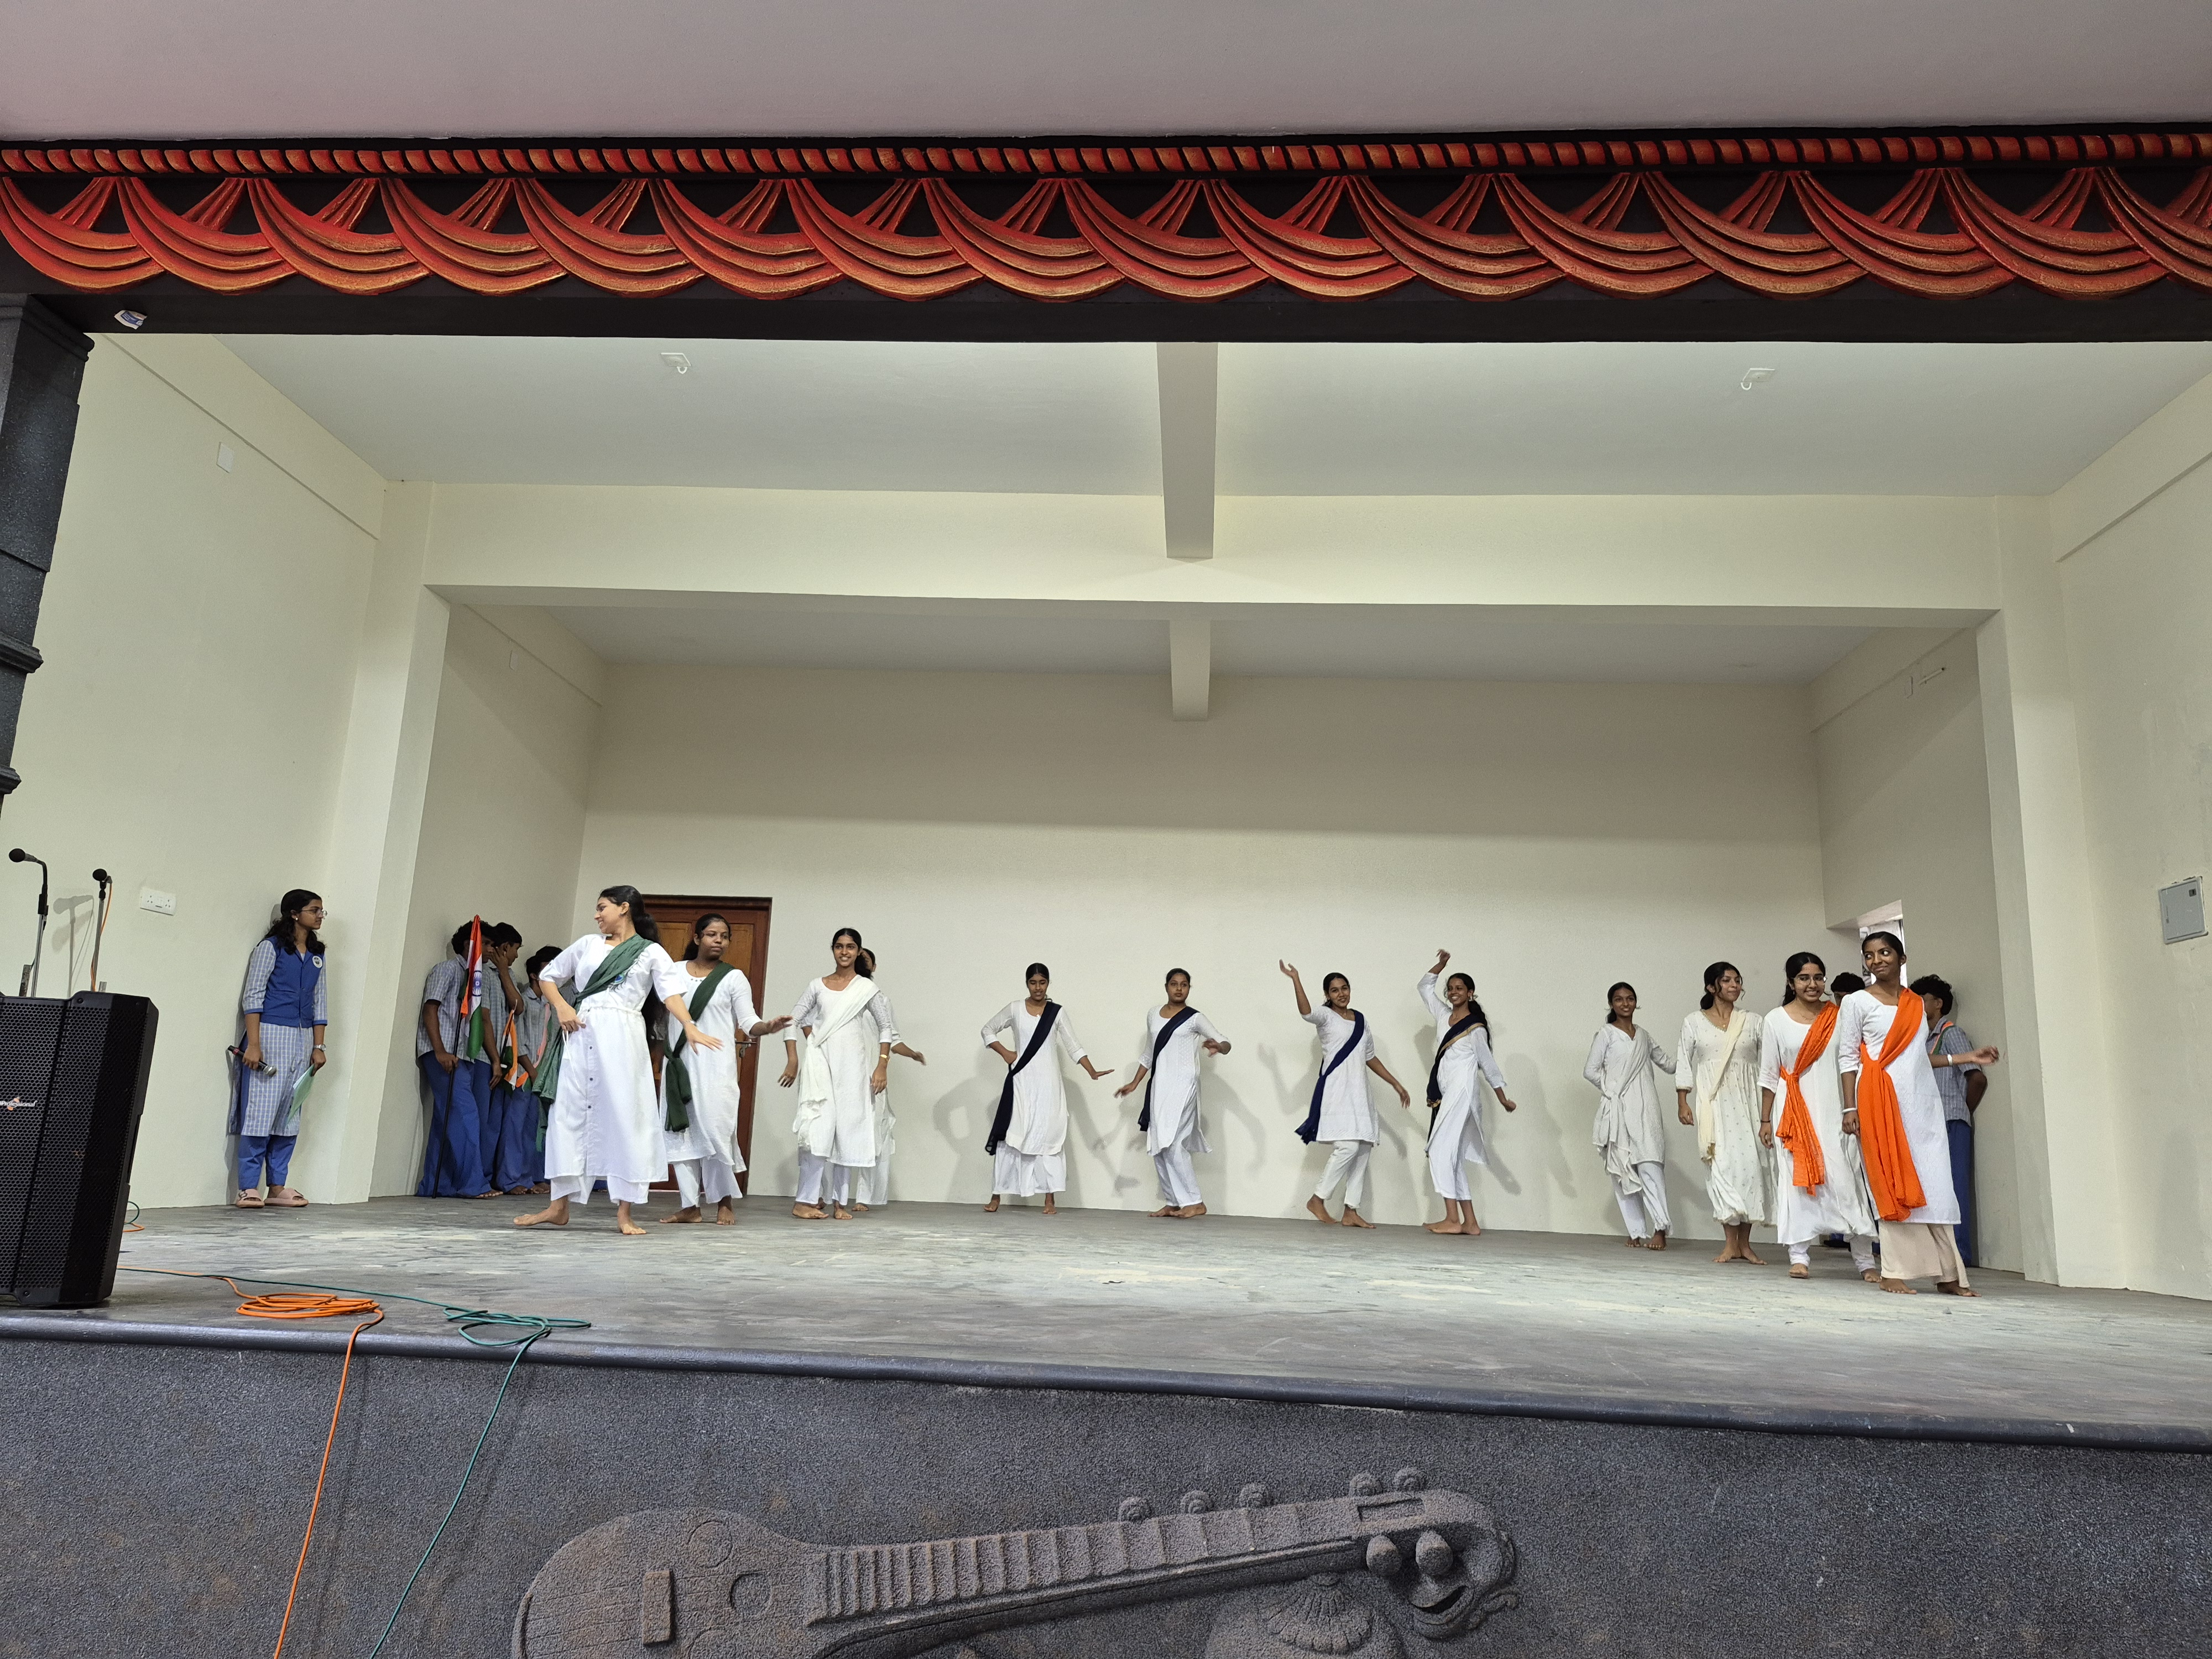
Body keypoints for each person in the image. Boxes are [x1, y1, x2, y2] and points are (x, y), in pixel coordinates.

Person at [514, 887, 718, 1237]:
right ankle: (558, 1207)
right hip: (581, 1037)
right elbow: (549, 977)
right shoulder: (587, 945)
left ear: (624, 908)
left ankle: (625, 1213)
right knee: (570, 1115)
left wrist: (689, 1025)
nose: (596, 915)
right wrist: (562, 1007)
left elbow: (670, 994)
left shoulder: (650, 952)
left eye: (602, 908)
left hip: (624, 1041)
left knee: (627, 1119)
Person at [1839, 931, 2000, 1295]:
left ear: (1902, 958)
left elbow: (1916, 1059)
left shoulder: (1914, 1004)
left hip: (1922, 1104)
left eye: (1885, 952)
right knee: (1893, 1183)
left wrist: (1966, 1057)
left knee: (1936, 1185)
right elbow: (1848, 1058)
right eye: (1869, 955)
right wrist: (1850, 1107)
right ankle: (1893, 1271)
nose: (1877, 960)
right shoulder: (1857, 1002)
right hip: (1880, 1102)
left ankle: (1949, 1275)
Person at [660, 914, 791, 1224]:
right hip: (679, 1064)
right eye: (711, 934)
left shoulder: (734, 978)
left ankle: (724, 1201)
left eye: (724, 936)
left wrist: (767, 1027)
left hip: (716, 1068)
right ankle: (690, 1206)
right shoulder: (673, 972)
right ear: (697, 938)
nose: (718, 940)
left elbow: (748, 1022)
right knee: (681, 1132)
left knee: (717, 1131)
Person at [1758, 952, 1880, 1281]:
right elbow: (1769, 1074)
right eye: (1804, 978)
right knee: (1797, 1183)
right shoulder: (1775, 1020)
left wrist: (1855, 1107)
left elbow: (1855, 1062)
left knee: (1848, 1178)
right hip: (1794, 1113)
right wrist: (1765, 1120)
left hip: (1838, 1110)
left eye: (1818, 978)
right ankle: (1799, 1256)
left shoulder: (1840, 1016)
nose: (1812, 985)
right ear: (1791, 983)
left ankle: (1865, 1261)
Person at [777, 927, 898, 1221]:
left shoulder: (866, 989)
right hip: (821, 1065)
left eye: (850, 947)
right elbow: (792, 1020)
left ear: (858, 952)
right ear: (833, 950)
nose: (845, 952)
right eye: (839, 946)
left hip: (853, 1068)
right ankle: (804, 1200)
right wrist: (793, 1058)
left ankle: (840, 1203)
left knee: (848, 1130)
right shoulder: (817, 986)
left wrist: (882, 1065)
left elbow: (885, 1027)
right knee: (818, 1130)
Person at [1281, 962, 1412, 1229]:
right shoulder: (1326, 1016)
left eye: (1345, 988)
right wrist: (1296, 979)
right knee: (1348, 1147)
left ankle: (1351, 1210)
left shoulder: (1361, 1020)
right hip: (1337, 1090)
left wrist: (1396, 1084)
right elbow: (1306, 1012)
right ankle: (1318, 1198)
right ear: (1327, 995)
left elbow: (1370, 1057)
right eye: (1335, 990)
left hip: (1360, 1092)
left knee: (1363, 1147)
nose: (1341, 994)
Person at [980, 962, 1113, 1214]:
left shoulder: (1057, 1013)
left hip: (1049, 1086)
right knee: (1013, 1135)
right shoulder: (1015, 1009)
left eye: (1042, 983)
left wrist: (1092, 1071)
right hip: (1022, 1082)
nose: (1038, 988)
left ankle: (1049, 1200)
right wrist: (1006, 1053)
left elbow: (1074, 1046)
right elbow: (988, 1030)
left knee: (1048, 1137)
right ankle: (997, 1195)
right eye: (1033, 983)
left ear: (1048, 984)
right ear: (1027, 984)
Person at [231, 889, 329, 1209]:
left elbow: (320, 1001)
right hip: (271, 1033)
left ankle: (277, 1187)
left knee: (290, 1111)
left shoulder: (317, 954)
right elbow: (253, 996)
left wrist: (318, 1045)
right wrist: (254, 1044)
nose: (320, 916)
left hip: (303, 1038)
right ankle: (248, 1187)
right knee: (261, 1110)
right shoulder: (270, 948)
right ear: (294, 914)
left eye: (321, 911)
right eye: (314, 910)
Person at [1416, 950, 1519, 1237]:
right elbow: (1424, 988)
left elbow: (1487, 1063)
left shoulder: (1476, 1028)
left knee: (1439, 1151)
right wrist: (1440, 966)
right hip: (1445, 1092)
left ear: (1470, 993)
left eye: (1459, 988)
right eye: (1450, 988)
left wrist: (1502, 1098)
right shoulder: (1443, 1015)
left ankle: (1452, 1219)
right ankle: (1470, 1223)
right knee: (1453, 1157)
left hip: (1462, 1092)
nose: (1453, 992)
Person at [1114, 968, 1230, 1219]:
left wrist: (1219, 1047)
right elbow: (1149, 1053)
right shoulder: (1153, 1015)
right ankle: (1173, 1201)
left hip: (1185, 1085)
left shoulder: (1195, 1018)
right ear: (1166, 986)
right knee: (1158, 1144)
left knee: (1174, 1143)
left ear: (1189, 988)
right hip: (1160, 1086)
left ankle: (1195, 1202)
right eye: (1174, 984)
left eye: (1184, 984)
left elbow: (1225, 1042)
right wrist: (1134, 1083)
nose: (1179, 989)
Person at [1677, 961, 1771, 1265]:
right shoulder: (1694, 1022)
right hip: (1713, 1104)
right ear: (1711, 987)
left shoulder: (1753, 1021)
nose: (1734, 986)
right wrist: (1683, 1100)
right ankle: (1730, 1244)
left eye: (1737, 981)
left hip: (1749, 1102)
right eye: (1727, 981)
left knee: (1751, 1169)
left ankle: (1745, 1244)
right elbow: (1683, 1061)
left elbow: (1772, 1059)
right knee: (1722, 1168)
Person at [1584, 982, 1677, 1248]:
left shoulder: (1644, 1036)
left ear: (1636, 1002)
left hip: (1647, 1108)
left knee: (1650, 1165)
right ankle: (1636, 1230)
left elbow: (1669, 1065)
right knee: (1623, 1168)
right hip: (1619, 1110)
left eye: (1630, 999)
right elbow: (1590, 1070)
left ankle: (1660, 1228)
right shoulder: (1606, 1034)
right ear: (1611, 1004)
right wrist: (1612, 1092)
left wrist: (1693, 1047)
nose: (1625, 1004)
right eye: (1619, 999)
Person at [416, 921, 499, 1201]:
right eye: (486, 944)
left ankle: (438, 1184)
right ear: (469, 945)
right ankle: (473, 1184)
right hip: (441, 1052)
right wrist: (440, 1051)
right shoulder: (447, 970)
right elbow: (431, 1009)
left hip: (461, 1054)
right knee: (466, 1116)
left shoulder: (475, 978)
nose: (491, 950)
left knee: (446, 1120)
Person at [1912, 973, 1987, 1267]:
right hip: (1928, 1123)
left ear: (1938, 1003)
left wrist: (1962, 1111)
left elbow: (1976, 1077)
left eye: (1922, 1000)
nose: (1917, 1006)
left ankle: (1960, 1253)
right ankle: (1937, 1253)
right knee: (1933, 1188)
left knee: (1955, 1187)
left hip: (1951, 1120)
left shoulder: (1951, 1033)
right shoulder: (1922, 1038)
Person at [849, 945, 925, 1212]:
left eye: (866, 958)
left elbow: (892, 1039)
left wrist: (912, 1053)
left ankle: (865, 1197)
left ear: (874, 966)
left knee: (873, 1134)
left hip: (873, 1075)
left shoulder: (881, 999)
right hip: (846, 1073)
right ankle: (828, 1194)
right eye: (858, 956)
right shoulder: (840, 994)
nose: (861, 961)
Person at [479, 923, 539, 1195]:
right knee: (488, 1124)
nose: (516, 955)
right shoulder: (486, 973)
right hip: (488, 1056)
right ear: (505, 948)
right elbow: (488, 1016)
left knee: (497, 1123)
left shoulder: (507, 974)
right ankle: (489, 1178)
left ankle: (500, 1178)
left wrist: (505, 971)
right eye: (515, 949)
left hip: (505, 1059)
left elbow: (518, 1006)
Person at [509, 944, 561, 1193]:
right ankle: (511, 1178)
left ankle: (531, 1176)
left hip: (541, 1074)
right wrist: (531, 1069)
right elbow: (517, 1038)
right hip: (524, 1072)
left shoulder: (549, 1003)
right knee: (515, 1128)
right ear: (533, 975)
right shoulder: (525, 1000)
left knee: (535, 1129)